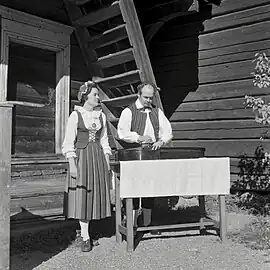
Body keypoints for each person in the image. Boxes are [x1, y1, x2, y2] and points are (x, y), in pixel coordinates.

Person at [62, 80, 112, 252]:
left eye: (98, 94)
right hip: (82, 157)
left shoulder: (101, 116)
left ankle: (90, 231)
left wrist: (106, 163)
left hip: (97, 157)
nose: (98, 97)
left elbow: (104, 141)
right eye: (95, 95)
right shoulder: (76, 115)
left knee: (94, 194)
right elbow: (69, 142)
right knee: (83, 194)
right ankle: (85, 236)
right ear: (85, 96)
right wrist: (72, 164)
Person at [117, 82, 173, 231]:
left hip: (152, 155)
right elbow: (122, 132)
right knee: (134, 188)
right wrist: (139, 137)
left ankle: (148, 223)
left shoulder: (157, 111)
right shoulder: (129, 111)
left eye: (151, 98)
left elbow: (168, 130)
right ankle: (132, 223)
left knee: (149, 187)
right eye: (146, 97)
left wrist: (162, 141)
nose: (149, 100)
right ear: (138, 95)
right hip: (134, 154)